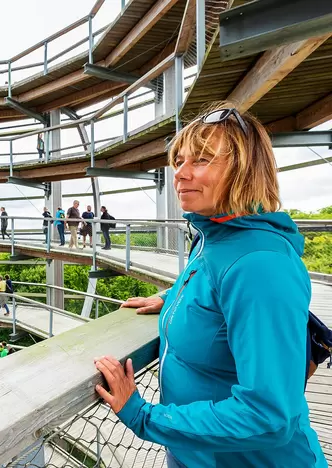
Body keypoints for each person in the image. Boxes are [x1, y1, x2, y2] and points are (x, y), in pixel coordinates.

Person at [95, 104, 326, 468]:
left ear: (244, 170)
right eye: (179, 161)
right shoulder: (212, 235)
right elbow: (215, 289)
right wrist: (175, 299)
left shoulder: (259, 264)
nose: (180, 174)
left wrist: (143, 416)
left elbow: (268, 417)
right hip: (200, 457)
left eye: (201, 160)